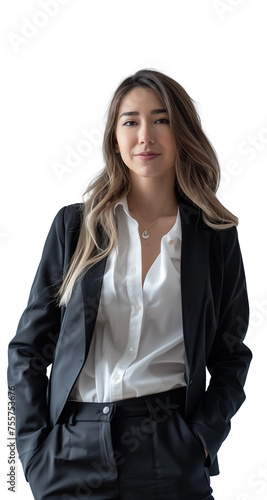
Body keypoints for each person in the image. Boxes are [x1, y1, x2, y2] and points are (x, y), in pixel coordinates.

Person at [8, 69, 252, 500]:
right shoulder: (74, 228)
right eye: (130, 121)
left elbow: (231, 357)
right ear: (114, 139)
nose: (145, 135)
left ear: (183, 133)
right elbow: (26, 351)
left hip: (169, 447)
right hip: (70, 449)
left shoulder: (214, 236)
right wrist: (28, 454)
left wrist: (200, 441)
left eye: (161, 120)